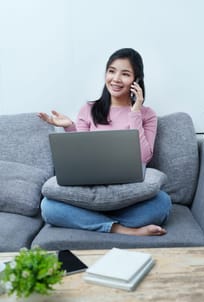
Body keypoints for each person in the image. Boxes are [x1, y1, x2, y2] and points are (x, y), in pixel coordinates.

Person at [38, 48, 172, 236]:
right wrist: (70, 127)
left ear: (137, 80)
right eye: (111, 71)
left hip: (128, 197)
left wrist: (135, 113)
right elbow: (80, 159)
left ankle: (93, 222)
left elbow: (144, 157)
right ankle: (123, 230)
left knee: (162, 203)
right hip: (90, 196)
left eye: (125, 74)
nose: (116, 79)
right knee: (48, 207)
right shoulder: (89, 109)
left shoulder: (147, 115)